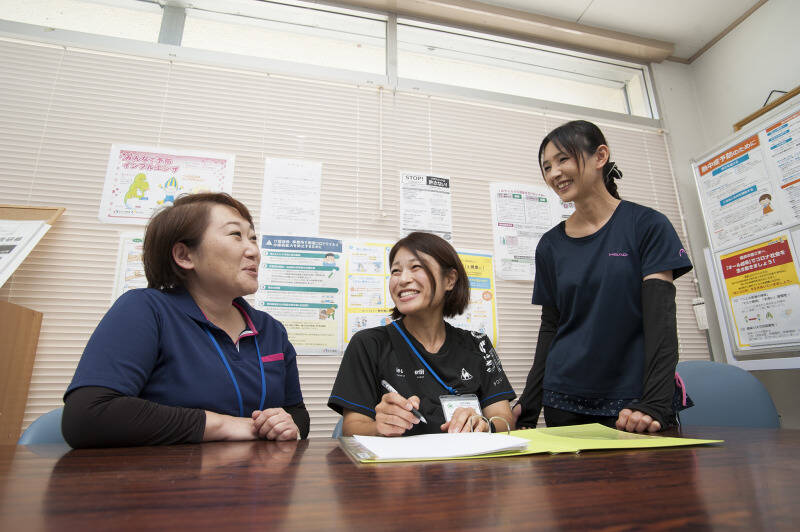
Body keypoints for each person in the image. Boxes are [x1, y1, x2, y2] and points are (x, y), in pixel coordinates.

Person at [62, 193, 309, 447]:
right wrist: (225, 425)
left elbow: (298, 415)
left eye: (253, 238)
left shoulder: (271, 330)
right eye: (236, 235)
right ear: (185, 255)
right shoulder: (146, 309)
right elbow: (86, 416)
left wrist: (287, 424)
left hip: (257, 481)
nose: (254, 251)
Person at [513, 120, 692, 433]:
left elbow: (660, 322)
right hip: (563, 401)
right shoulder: (550, 245)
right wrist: (528, 407)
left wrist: (655, 403)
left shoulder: (647, 226)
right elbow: (551, 328)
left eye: (562, 159)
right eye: (546, 166)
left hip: (633, 403)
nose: (554, 173)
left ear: (600, 156)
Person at [328, 232, 515, 436]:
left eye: (416, 267)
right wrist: (380, 427)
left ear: (450, 280)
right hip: (398, 466)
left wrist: (484, 424)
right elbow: (351, 428)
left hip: (466, 465)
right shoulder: (368, 344)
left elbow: (505, 420)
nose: (403, 279)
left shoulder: (478, 344)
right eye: (396, 271)